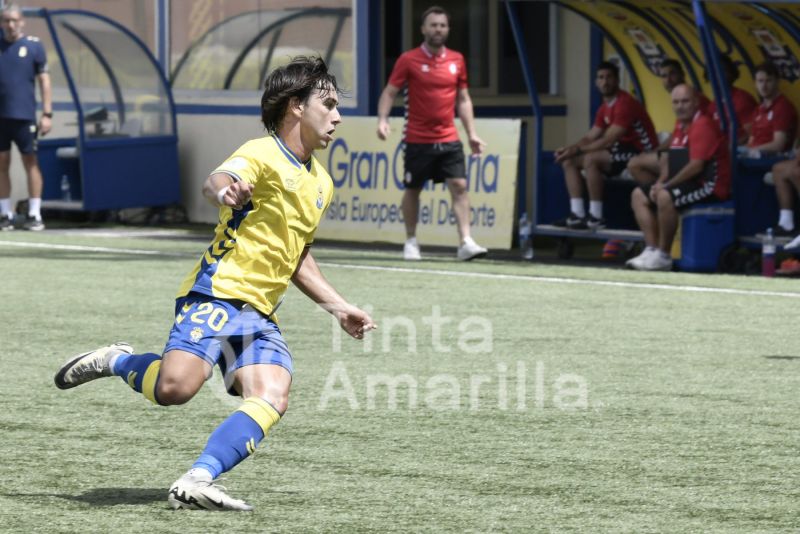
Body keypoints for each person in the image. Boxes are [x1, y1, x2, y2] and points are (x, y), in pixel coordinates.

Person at [53, 56, 377, 511]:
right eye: (327, 104)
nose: (338, 116)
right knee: (175, 389)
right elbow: (218, 179)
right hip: (218, 293)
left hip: (259, 314)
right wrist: (224, 191)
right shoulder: (262, 153)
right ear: (295, 107)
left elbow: (297, 254)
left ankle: (197, 478)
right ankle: (117, 360)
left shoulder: (320, 182)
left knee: (273, 394)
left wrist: (339, 307)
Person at [376, 5, 487, 261]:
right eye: (434, 25)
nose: (438, 29)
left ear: (448, 29)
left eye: (443, 25)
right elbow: (390, 92)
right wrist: (382, 120)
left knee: (459, 185)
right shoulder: (408, 59)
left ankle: (465, 242)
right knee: (413, 188)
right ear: (423, 29)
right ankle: (411, 241)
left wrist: (472, 133)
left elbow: (463, 99)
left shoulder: (457, 60)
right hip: (417, 139)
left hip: (449, 137)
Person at [626, 84, 731, 271]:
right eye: (676, 102)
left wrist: (666, 186)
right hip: (690, 181)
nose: (680, 106)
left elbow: (696, 166)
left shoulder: (703, 125)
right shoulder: (680, 124)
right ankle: (651, 249)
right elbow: (670, 158)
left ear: (696, 102)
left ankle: (664, 256)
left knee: (665, 196)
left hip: (709, 184)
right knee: (638, 195)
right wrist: (659, 182)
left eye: (685, 101)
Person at [553, 61, 658, 229]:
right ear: (596, 82)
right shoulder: (604, 108)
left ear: (617, 80)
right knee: (569, 161)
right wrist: (569, 150)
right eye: (601, 77)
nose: (605, 81)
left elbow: (609, 139)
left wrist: (578, 149)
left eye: (609, 77)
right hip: (621, 149)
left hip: (641, 151)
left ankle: (596, 217)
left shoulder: (625, 103)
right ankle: (577, 214)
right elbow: (591, 136)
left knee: (591, 159)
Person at [0, 4, 52, 231]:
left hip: (24, 117)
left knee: (30, 162)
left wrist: (47, 113)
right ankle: (5, 215)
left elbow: (44, 81)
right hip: (1, 118)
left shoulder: (34, 46)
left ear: (22, 21)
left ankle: (34, 214)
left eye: (14, 20)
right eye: (6, 21)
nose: (10, 25)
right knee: (1, 163)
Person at [627, 58, 710, 187]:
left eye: (672, 73)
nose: (668, 79)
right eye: (664, 76)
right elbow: (675, 136)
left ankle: (661, 195)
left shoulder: (696, 100)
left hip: (692, 157)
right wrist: (655, 151)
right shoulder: (680, 103)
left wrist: (656, 152)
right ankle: (659, 195)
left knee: (635, 164)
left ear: (682, 75)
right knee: (637, 164)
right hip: (681, 154)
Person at [741, 61, 797, 157]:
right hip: (755, 155)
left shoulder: (783, 107)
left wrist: (751, 151)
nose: (763, 86)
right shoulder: (759, 109)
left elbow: (778, 145)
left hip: (772, 158)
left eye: (769, 80)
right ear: (755, 83)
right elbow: (751, 140)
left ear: (777, 81)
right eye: (760, 81)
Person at [706, 54, 757, 146]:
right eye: (714, 72)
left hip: (739, 153)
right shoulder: (713, 105)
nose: (719, 76)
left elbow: (752, 133)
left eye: (723, 71)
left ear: (732, 74)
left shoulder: (742, 99)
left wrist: (729, 148)